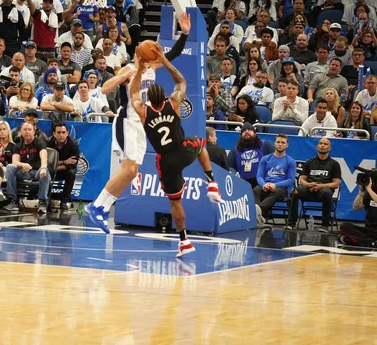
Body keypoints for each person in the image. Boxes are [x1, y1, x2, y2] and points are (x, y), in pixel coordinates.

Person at [84, 13, 193, 231]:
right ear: (138, 53)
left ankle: (101, 207)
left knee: (132, 171)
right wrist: (123, 76)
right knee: (128, 169)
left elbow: (174, 53)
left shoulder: (153, 67)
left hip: (142, 125)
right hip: (127, 120)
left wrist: (185, 33)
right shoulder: (127, 69)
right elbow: (104, 89)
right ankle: (97, 206)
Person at [128, 50, 223, 255]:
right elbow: (181, 82)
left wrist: (138, 70)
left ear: (149, 100)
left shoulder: (144, 111)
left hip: (166, 162)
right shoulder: (173, 103)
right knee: (200, 144)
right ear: (164, 96)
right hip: (184, 150)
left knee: (174, 202)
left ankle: (184, 241)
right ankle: (212, 183)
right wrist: (164, 61)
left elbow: (133, 93)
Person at [287, 138, 341, 231]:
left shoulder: (334, 164)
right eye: (320, 143)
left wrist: (321, 186)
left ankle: (325, 225)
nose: (322, 145)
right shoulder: (309, 162)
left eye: (325, 144)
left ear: (330, 148)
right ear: (317, 146)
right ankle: (291, 223)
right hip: (309, 189)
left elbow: (336, 183)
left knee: (327, 193)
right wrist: (308, 185)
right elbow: (301, 180)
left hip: (324, 190)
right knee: (294, 191)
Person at [3, 121, 50, 215]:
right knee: (10, 167)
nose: (27, 132)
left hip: (37, 172)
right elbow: (15, 161)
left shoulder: (39, 143)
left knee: (45, 171)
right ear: (21, 131)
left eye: (29, 129)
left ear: (34, 131)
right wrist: (22, 165)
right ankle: (12, 200)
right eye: (25, 129)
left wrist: (44, 167)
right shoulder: (17, 145)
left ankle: (42, 202)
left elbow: (44, 157)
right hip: (25, 173)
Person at [253, 134, 296, 222]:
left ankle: (258, 211)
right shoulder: (265, 159)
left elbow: (290, 180)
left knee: (276, 192)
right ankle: (259, 216)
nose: (280, 144)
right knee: (256, 190)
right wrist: (264, 184)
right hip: (265, 185)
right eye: (278, 142)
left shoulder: (290, 161)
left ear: (287, 145)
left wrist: (275, 185)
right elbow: (259, 176)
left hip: (281, 189)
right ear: (274, 143)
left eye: (283, 142)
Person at [227, 122, 275, 187]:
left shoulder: (265, 145)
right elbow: (230, 167)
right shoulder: (235, 150)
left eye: (249, 130)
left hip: (263, 182)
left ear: (255, 133)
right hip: (243, 184)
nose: (246, 132)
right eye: (244, 131)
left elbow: (276, 160)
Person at [47, 123, 80, 210]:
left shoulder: (73, 145)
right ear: (54, 134)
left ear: (67, 133)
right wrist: (64, 162)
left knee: (71, 173)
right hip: (51, 170)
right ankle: (46, 200)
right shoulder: (48, 143)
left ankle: (64, 201)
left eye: (63, 132)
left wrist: (57, 165)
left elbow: (72, 164)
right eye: (58, 132)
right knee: (45, 172)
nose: (61, 135)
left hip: (65, 170)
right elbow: (46, 162)